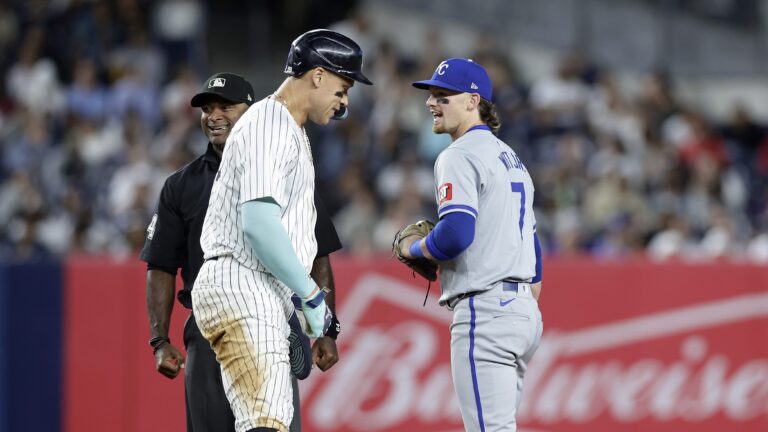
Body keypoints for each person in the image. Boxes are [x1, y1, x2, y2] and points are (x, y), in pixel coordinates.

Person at [140, 72, 343, 432]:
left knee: (271, 425)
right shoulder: (181, 185)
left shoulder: (288, 165)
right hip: (209, 325)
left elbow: (318, 255)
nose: (213, 115)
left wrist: (327, 329)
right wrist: (160, 338)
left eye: (225, 107)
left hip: (269, 318)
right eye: (207, 108)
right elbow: (161, 265)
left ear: (251, 111)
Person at [193, 29, 372, 432]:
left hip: (256, 286)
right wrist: (309, 294)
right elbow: (257, 224)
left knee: (266, 421)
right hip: (242, 282)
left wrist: (294, 300)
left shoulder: (287, 127)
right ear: (319, 76)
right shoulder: (270, 121)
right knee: (267, 421)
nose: (344, 101)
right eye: (343, 88)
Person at [398, 58, 543, 432]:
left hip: (487, 311)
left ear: (472, 101)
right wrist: (518, 303)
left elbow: (457, 234)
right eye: (431, 95)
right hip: (522, 312)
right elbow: (535, 253)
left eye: (443, 95)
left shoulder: (458, 155)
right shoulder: (512, 159)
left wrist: (413, 250)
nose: (432, 102)